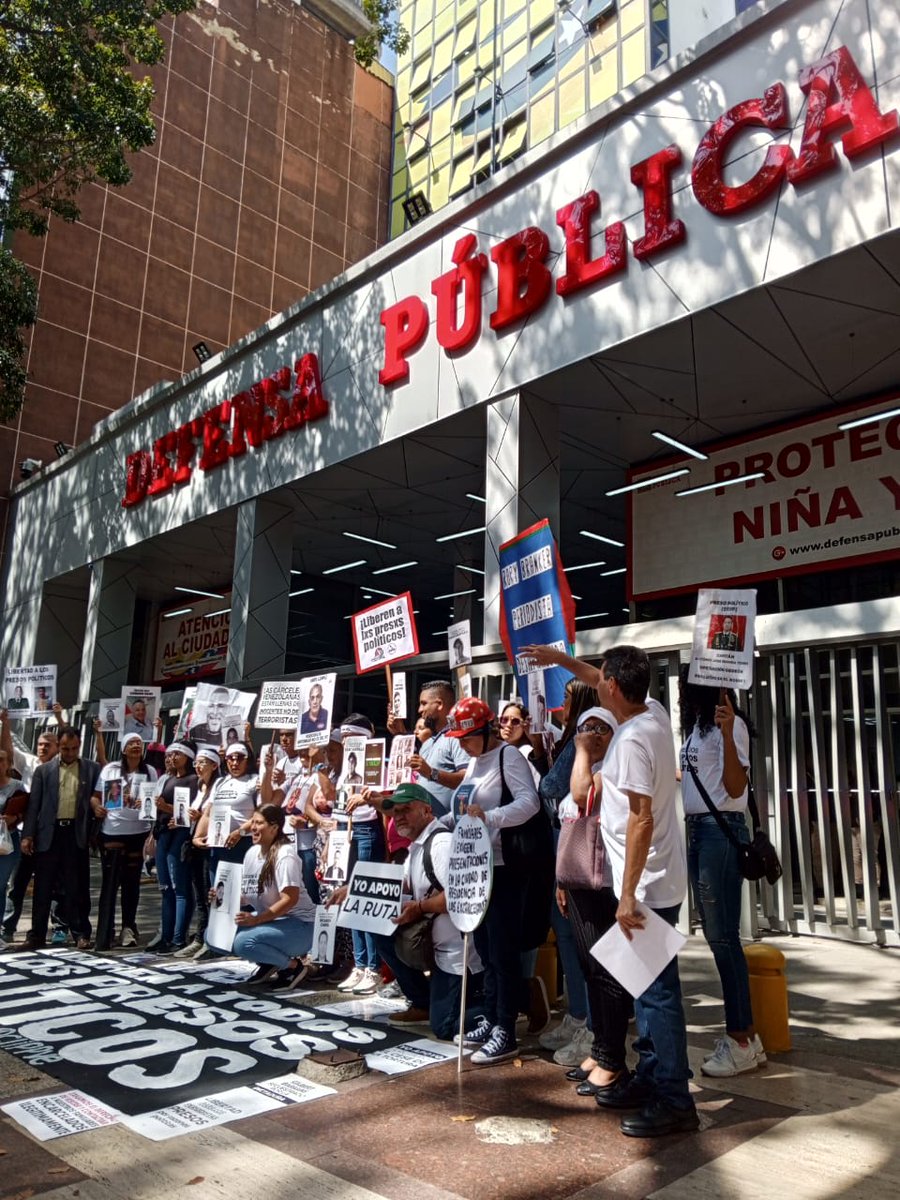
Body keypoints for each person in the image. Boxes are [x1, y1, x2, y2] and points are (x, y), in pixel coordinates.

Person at [593, 645, 698, 1137]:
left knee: (657, 994)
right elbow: (604, 674)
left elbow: (641, 818)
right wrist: (560, 658)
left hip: (648, 886)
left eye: (601, 678)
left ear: (613, 685)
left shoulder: (634, 738)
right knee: (645, 987)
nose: (596, 683)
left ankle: (676, 1098)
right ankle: (654, 1076)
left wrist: (627, 894)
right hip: (658, 878)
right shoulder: (653, 711)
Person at [446, 697, 545, 1066]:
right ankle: (491, 1016)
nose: (461, 743)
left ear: (485, 731)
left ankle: (506, 1026)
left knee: (503, 950)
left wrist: (491, 817)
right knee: (485, 949)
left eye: (467, 736)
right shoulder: (474, 761)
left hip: (506, 867)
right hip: (477, 869)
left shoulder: (509, 757)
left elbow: (529, 803)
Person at [343, 782, 484, 1039]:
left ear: (426, 811)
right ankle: (424, 1002)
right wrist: (353, 890)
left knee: (445, 1027)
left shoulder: (441, 844)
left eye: (405, 810)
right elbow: (397, 887)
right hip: (434, 946)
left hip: (457, 954)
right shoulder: (417, 846)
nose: (398, 817)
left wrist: (419, 908)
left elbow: (460, 898)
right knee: (380, 929)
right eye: (395, 812)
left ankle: (510, 1000)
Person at [679, 671, 765, 1076]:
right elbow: (697, 779)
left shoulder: (730, 728)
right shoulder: (697, 729)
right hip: (698, 831)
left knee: (723, 937)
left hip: (720, 832)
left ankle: (742, 1038)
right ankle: (744, 1035)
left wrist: (730, 733)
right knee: (718, 936)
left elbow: (734, 787)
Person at [561, 706, 634, 1101]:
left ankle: (612, 1056)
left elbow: (581, 793)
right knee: (590, 967)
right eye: (585, 727)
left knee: (609, 970)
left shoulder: (617, 767)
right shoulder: (579, 760)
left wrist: (585, 752)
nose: (592, 733)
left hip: (606, 878)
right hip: (578, 877)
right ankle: (600, 1047)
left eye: (601, 728)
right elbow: (564, 806)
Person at [209, 805, 315, 990]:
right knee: (214, 936)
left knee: (243, 943)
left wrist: (256, 920)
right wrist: (222, 895)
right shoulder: (251, 853)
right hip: (272, 922)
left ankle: (293, 967)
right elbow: (246, 895)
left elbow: (289, 900)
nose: (253, 828)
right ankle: (269, 961)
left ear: (274, 828)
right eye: (253, 823)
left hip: (301, 925)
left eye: (259, 823)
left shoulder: (285, 854)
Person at [18, 726, 101, 951]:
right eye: (65, 749)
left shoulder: (91, 769)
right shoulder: (44, 771)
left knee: (77, 887)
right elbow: (34, 806)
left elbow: (98, 797)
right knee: (43, 887)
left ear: (79, 746)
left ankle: (80, 933)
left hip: (75, 834)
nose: (70, 753)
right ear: (59, 746)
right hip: (49, 834)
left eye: (74, 749)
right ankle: (36, 935)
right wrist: (28, 835)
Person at [91, 732, 158, 950]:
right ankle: (106, 929)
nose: (136, 746)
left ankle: (128, 927)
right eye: (131, 743)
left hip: (139, 831)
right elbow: (96, 796)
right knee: (111, 882)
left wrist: (146, 804)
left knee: (131, 883)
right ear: (123, 749)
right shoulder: (110, 770)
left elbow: (155, 800)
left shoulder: (149, 772)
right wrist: (96, 807)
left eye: (139, 742)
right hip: (113, 831)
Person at [2, 729, 58, 940]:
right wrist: (5, 723)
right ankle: (7, 929)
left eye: (48, 744)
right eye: (41, 744)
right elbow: (8, 750)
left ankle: (50, 929)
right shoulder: (29, 763)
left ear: (57, 748)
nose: (43, 747)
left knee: (51, 886)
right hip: (23, 834)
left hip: (49, 837)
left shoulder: (61, 768)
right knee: (16, 886)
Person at [387, 681, 469, 815]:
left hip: (449, 827)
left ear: (440, 704)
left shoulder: (457, 738)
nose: (420, 710)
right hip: (425, 826)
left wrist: (431, 773)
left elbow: (466, 780)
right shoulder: (427, 744)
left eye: (424, 703)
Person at [150, 741, 199, 954]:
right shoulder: (169, 779)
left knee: (180, 888)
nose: (171, 758)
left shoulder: (193, 780)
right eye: (170, 755)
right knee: (165, 888)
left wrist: (167, 808)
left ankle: (179, 938)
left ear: (188, 757)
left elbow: (191, 811)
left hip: (179, 835)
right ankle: (166, 935)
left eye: (177, 754)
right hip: (163, 835)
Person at [0, 749, 28, 950]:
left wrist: (14, 819)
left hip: (7, 844)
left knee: (0, 887)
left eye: (1, 760)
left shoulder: (17, 787)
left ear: (9, 763)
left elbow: (26, 812)